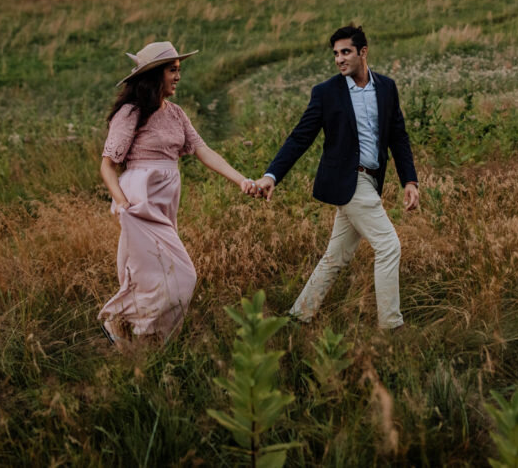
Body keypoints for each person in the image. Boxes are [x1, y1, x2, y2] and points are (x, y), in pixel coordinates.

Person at [254, 25, 419, 329]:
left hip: (371, 181)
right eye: (335, 54)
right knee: (389, 246)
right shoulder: (326, 92)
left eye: (345, 52)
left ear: (363, 52)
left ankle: (298, 316)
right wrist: (272, 175)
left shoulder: (386, 88)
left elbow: (398, 136)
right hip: (349, 182)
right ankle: (391, 327)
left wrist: (410, 180)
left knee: (336, 256)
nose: (339, 59)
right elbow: (299, 138)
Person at [99, 41, 256, 345]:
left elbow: (204, 151)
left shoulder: (176, 114)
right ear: (156, 74)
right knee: (183, 276)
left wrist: (241, 180)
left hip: (163, 204)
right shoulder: (132, 113)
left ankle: (134, 336)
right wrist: (122, 204)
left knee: (156, 274)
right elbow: (107, 167)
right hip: (139, 202)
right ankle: (130, 328)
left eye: (179, 70)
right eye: (173, 70)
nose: (178, 76)